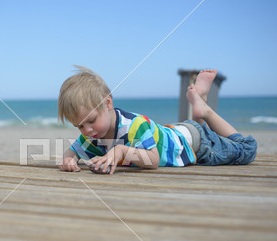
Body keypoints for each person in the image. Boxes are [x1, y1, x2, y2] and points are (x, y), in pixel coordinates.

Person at [58, 66, 257, 174]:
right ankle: (199, 107)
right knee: (198, 128)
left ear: (108, 104)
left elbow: (153, 160)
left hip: (197, 145)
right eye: (79, 126)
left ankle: (205, 110)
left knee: (247, 148)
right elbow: (73, 151)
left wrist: (120, 151)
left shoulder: (135, 125)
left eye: (90, 120)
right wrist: (69, 160)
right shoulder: (93, 134)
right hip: (178, 132)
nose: (86, 130)